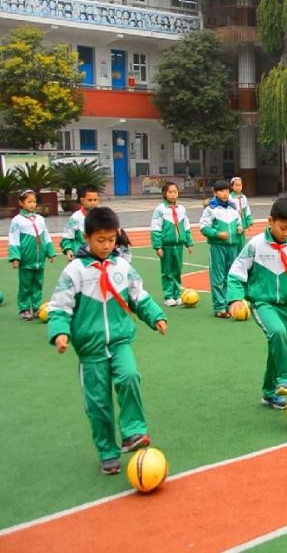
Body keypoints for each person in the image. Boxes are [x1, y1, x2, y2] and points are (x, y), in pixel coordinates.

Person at [47, 207, 166, 475]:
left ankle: (133, 432)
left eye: (111, 239)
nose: (106, 245)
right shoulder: (74, 271)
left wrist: (156, 316)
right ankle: (107, 452)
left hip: (119, 341)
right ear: (87, 238)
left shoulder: (122, 266)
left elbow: (139, 296)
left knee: (130, 376)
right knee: (98, 403)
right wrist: (60, 333)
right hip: (90, 350)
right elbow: (59, 307)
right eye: (100, 240)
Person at [227, 198, 287, 410]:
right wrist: (235, 298)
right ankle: (286, 378)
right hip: (261, 303)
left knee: (276, 346)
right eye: (282, 228)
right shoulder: (256, 245)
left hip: (283, 306)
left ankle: (270, 393)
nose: (286, 233)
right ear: (270, 221)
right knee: (277, 333)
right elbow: (237, 272)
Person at [8, 189, 56, 320]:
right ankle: (24, 309)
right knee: (25, 286)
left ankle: (36, 307)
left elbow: (46, 236)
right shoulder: (17, 221)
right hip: (26, 260)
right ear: (21, 203)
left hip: (40, 260)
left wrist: (50, 252)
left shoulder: (40, 219)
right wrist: (15, 257)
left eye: (34, 201)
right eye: (29, 202)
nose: (32, 204)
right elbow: (14, 239)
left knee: (38, 285)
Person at [200, 180, 243, 317]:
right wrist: (217, 234)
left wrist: (240, 228)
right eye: (221, 191)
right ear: (215, 193)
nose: (225, 194)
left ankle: (229, 304)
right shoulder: (211, 209)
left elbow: (239, 222)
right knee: (218, 277)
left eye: (227, 191)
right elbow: (204, 228)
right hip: (218, 247)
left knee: (230, 277)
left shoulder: (233, 207)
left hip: (233, 247)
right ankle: (219, 307)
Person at [150, 182, 193, 306]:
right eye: (170, 192)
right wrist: (158, 246)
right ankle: (168, 296)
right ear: (164, 193)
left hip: (178, 246)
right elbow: (156, 228)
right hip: (166, 246)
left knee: (177, 270)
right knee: (167, 271)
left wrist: (189, 243)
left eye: (175, 192)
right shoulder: (160, 210)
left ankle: (177, 294)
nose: (173, 194)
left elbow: (186, 226)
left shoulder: (181, 209)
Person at [61, 185, 100, 260]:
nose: (93, 203)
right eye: (90, 200)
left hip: (98, 256)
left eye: (95, 200)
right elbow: (67, 236)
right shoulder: (75, 218)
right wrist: (68, 249)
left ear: (98, 199)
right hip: (81, 256)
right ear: (82, 200)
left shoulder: (103, 216)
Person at [230, 177, 252, 250]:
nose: (238, 187)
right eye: (236, 185)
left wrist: (249, 223)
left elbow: (247, 210)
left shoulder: (244, 198)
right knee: (234, 241)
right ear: (232, 186)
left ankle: (241, 254)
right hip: (233, 222)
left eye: (240, 185)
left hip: (242, 223)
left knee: (241, 242)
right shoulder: (230, 198)